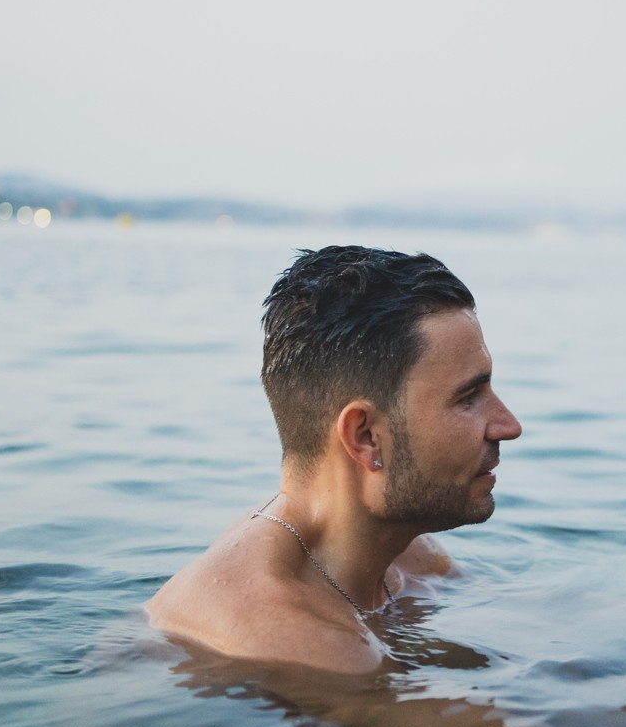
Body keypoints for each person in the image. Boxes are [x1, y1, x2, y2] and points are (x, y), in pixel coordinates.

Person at [147, 245, 522, 674]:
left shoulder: (402, 553)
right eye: (469, 398)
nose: (508, 425)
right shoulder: (291, 633)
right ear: (365, 436)